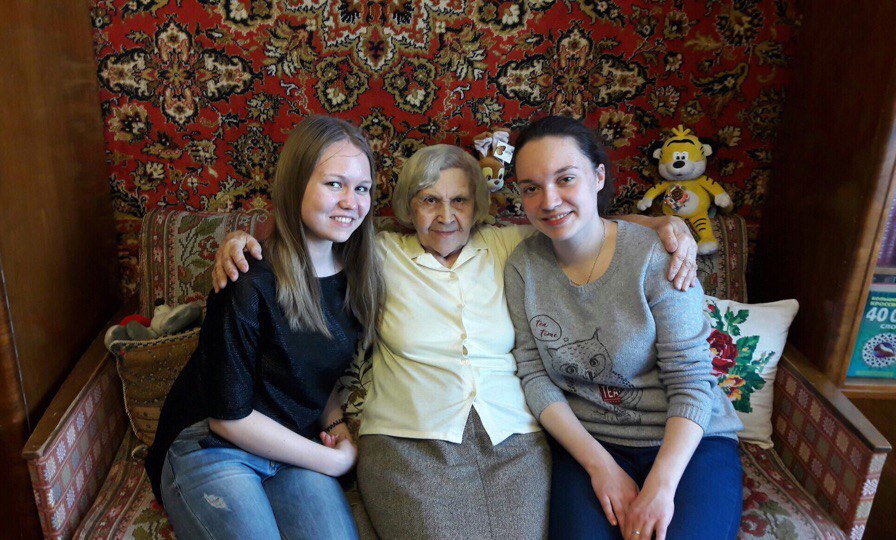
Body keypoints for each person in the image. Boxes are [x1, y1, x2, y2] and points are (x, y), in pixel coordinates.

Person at [213, 143, 700, 540]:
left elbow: (587, 225)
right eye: (429, 200)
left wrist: (662, 224)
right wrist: (241, 243)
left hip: (515, 443)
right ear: (409, 207)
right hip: (407, 443)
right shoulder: (376, 254)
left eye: (459, 200)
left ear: (477, 206)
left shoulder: (509, 245)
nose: (445, 216)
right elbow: (307, 243)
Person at [145, 115, 385, 540]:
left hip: (292, 447)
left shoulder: (359, 275)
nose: (351, 201)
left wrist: (335, 426)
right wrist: (335, 461)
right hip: (213, 446)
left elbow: (313, 374)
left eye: (362, 188)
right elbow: (228, 418)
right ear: (295, 185)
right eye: (335, 184)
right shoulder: (247, 277)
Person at [504, 115, 743, 540]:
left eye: (565, 179)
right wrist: (600, 466)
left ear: (598, 177)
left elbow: (691, 378)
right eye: (531, 188)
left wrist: (661, 487)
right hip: (591, 444)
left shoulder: (658, 256)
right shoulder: (523, 266)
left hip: (687, 442)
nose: (549, 200)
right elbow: (534, 375)